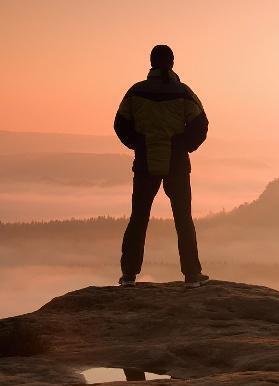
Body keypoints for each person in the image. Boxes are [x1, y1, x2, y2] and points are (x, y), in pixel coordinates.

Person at [113, 44, 209, 288]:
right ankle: (191, 274)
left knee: (139, 217)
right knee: (183, 218)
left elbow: (120, 124)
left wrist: (139, 143)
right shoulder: (182, 92)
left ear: (152, 63)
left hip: (145, 163)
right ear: (172, 63)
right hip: (176, 164)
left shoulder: (136, 92)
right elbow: (201, 125)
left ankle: (129, 275)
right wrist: (182, 145)